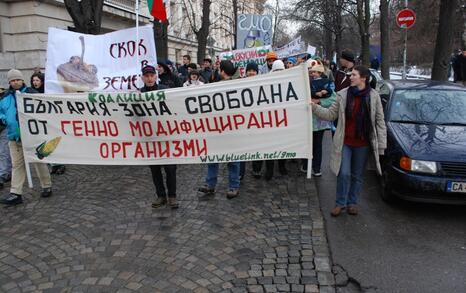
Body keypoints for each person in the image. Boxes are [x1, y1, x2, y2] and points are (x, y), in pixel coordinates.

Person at [311, 65, 387, 217]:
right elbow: (331, 115)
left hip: (363, 143)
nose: (350, 77)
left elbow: (379, 120)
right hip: (345, 142)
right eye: (351, 75)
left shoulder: (373, 96)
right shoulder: (342, 95)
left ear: (363, 78)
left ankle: (352, 202)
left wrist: (381, 145)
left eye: (353, 75)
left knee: (357, 175)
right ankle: (340, 203)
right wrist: (314, 107)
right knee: (343, 173)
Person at [0, 69, 52, 206]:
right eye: (12, 80)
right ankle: (15, 193)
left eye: (18, 79)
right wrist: (4, 119)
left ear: (22, 80)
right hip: (14, 137)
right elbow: (1, 112)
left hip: (32, 135)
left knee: (39, 160)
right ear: (9, 82)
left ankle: (46, 185)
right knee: (17, 165)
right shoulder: (5, 97)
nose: (15, 82)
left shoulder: (31, 93)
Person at [198, 60, 241, 200]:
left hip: (229, 128)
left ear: (222, 71)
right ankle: (214, 184)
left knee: (231, 158)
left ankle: (232, 185)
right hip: (217, 127)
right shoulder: (217, 84)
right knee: (214, 156)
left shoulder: (232, 85)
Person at [140, 65, 178, 209]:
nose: (149, 78)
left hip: (166, 136)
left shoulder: (165, 90)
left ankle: (172, 196)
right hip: (149, 138)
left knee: (170, 168)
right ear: (142, 78)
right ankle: (161, 195)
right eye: (146, 76)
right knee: (155, 169)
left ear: (156, 76)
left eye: (151, 75)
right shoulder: (139, 93)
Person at [301, 63, 335, 176]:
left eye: (313, 72)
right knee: (307, 144)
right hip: (307, 121)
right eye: (310, 72)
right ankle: (305, 165)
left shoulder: (327, 84)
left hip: (319, 121)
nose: (312, 74)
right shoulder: (306, 83)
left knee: (318, 145)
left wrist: (319, 102)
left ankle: (316, 168)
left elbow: (333, 100)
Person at [30, 72, 67, 175]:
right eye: (33, 80)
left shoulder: (48, 91)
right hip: (39, 123)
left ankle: (59, 164)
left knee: (52, 143)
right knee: (43, 145)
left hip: (50, 121)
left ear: (42, 81)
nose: (35, 82)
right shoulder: (29, 92)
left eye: (37, 80)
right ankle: (51, 164)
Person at [239, 62, 259, 179]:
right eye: (249, 70)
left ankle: (256, 169)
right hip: (243, 120)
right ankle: (240, 172)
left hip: (256, 120)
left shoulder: (262, 82)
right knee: (242, 147)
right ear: (246, 72)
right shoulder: (241, 83)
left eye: (253, 71)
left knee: (256, 145)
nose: (251, 73)